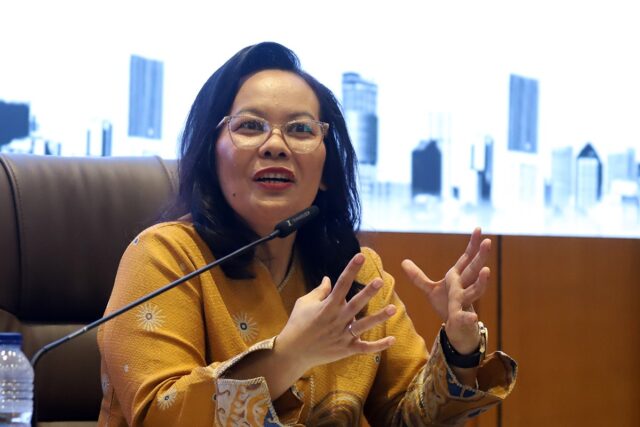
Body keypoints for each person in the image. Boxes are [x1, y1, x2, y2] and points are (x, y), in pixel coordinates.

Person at [97, 42, 517, 426]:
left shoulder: (356, 273)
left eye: (300, 130)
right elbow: (158, 416)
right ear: (211, 155)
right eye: (250, 126)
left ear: (327, 172)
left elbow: (406, 418)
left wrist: (459, 350)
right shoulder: (165, 257)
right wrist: (285, 358)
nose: (275, 145)